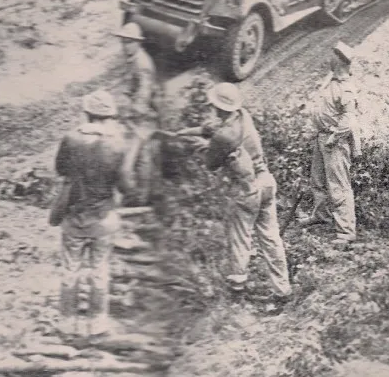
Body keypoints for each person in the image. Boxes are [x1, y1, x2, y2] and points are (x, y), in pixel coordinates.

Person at [178, 84, 293, 313]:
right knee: (271, 239)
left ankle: (237, 292)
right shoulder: (243, 116)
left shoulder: (224, 136)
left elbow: (211, 164)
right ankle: (282, 291)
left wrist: (197, 144)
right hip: (266, 181)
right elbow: (213, 129)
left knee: (240, 240)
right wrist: (194, 131)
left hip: (246, 190)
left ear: (217, 106)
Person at [53, 91, 140, 339]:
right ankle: (97, 324)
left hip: (74, 217)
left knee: (70, 269)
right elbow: (125, 187)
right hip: (103, 219)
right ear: (110, 116)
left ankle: (68, 324)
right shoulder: (120, 143)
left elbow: (60, 169)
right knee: (100, 269)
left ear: (87, 113)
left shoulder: (70, 138)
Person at [297, 42, 362, 246]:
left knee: (339, 186)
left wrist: (334, 138)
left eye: (333, 56)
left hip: (335, 141)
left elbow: (348, 120)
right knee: (317, 181)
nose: (329, 59)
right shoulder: (331, 82)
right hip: (322, 137)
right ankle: (321, 215)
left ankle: (346, 232)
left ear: (340, 61)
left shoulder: (346, 88)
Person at [113, 23, 161, 206]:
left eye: (128, 42)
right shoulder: (133, 59)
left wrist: (127, 115)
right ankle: (139, 198)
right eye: (123, 42)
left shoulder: (142, 64)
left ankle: (137, 199)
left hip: (143, 119)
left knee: (132, 161)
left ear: (137, 43)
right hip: (139, 118)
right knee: (141, 158)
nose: (124, 46)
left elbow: (143, 96)